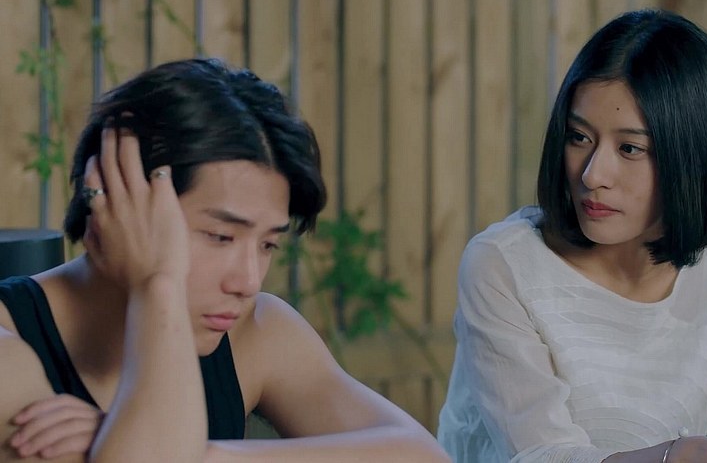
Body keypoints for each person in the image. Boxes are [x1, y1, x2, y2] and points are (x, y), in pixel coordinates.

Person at [0, 58, 451, 462]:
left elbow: (422, 456)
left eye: (268, 245)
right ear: (120, 203)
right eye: (220, 237)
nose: (249, 281)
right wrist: (157, 281)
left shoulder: (255, 331)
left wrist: (204, 453)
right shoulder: (7, 349)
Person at [437, 9, 707, 463]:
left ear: (693, 153)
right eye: (579, 137)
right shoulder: (502, 265)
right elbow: (542, 454)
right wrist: (678, 454)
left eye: (630, 148)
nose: (593, 175)